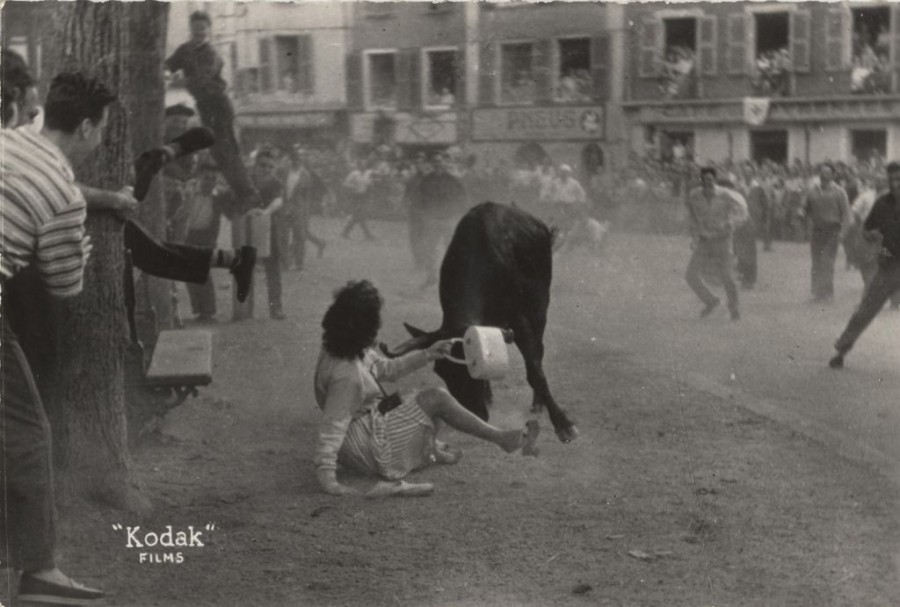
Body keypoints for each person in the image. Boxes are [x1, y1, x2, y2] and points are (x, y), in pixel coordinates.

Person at [0, 64, 108, 606]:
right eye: (102, 129)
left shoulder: (9, 139)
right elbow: (65, 288)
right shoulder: (65, 195)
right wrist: (81, 249)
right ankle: (38, 572)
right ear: (87, 128)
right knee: (28, 432)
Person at [313, 280, 539, 497]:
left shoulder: (343, 348)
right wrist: (328, 478)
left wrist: (428, 353)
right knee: (435, 398)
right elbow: (333, 424)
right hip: (364, 446)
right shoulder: (347, 375)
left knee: (416, 399)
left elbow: (387, 369)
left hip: (366, 426)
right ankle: (502, 438)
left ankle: (429, 450)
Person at [164, 10, 258, 210]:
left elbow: (203, 79)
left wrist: (180, 80)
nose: (199, 34)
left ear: (208, 31)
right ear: (190, 29)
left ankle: (247, 193)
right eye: (195, 30)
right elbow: (168, 65)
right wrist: (164, 72)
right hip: (205, 106)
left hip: (218, 104)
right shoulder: (184, 50)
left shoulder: (211, 54)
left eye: (202, 30)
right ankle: (244, 191)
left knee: (225, 149)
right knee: (218, 151)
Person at [830, 162, 900, 369]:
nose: (896, 184)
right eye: (892, 180)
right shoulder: (881, 204)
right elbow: (868, 229)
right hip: (889, 266)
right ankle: (841, 349)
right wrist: (875, 243)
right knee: (865, 310)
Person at [684, 166, 749, 321]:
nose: (708, 183)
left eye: (711, 180)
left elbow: (743, 211)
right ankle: (711, 301)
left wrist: (730, 222)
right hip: (705, 240)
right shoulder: (694, 196)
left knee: (727, 276)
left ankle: (734, 308)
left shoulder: (726, 194)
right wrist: (694, 235)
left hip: (723, 240)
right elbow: (692, 215)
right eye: (705, 180)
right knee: (690, 275)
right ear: (701, 180)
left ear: (715, 180)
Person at [236, 148, 285, 320]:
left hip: (269, 227)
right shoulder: (247, 181)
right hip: (248, 226)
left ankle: (275, 308)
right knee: (247, 266)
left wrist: (268, 211)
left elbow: (279, 200)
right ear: (255, 165)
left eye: (270, 167)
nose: (266, 169)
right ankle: (247, 308)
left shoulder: (276, 182)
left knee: (273, 269)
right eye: (263, 165)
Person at [409, 152, 468, 288]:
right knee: (430, 248)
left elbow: (463, 197)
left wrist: (457, 212)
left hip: (449, 219)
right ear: (432, 164)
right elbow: (419, 198)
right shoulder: (427, 180)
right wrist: (423, 214)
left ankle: (453, 276)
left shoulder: (452, 180)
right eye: (435, 162)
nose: (438, 164)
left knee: (451, 248)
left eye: (440, 162)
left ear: (444, 164)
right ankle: (432, 276)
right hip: (432, 219)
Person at [800, 163, 852, 304]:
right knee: (816, 262)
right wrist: (801, 212)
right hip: (817, 231)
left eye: (828, 173)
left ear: (833, 175)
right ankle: (817, 293)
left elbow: (846, 214)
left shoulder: (839, 192)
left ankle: (828, 294)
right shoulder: (812, 191)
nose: (824, 176)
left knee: (827, 262)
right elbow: (805, 207)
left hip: (832, 231)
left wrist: (843, 232)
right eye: (822, 173)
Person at [283, 147, 327, 271]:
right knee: (284, 234)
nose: (296, 162)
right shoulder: (285, 171)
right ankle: (286, 260)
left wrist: (307, 209)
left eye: (298, 160)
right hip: (285, 206)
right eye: (293, 160)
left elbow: (309, 193)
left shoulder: (306, 174)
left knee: (300, 235)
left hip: (299, 208)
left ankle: (299, 262)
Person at [341, 159, 376, 241]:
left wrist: (370, 187)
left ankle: (345, 232)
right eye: (361, 165)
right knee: (359, 215)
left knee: (358, 215)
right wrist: (353, 188)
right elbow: (345, 184)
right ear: (358, 166)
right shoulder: (354, 174)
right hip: (356, 196)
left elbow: (370, 183)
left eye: (364, 164)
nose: (363, 166)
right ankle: (367, 234)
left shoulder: (368, 173)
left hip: (364, 196)